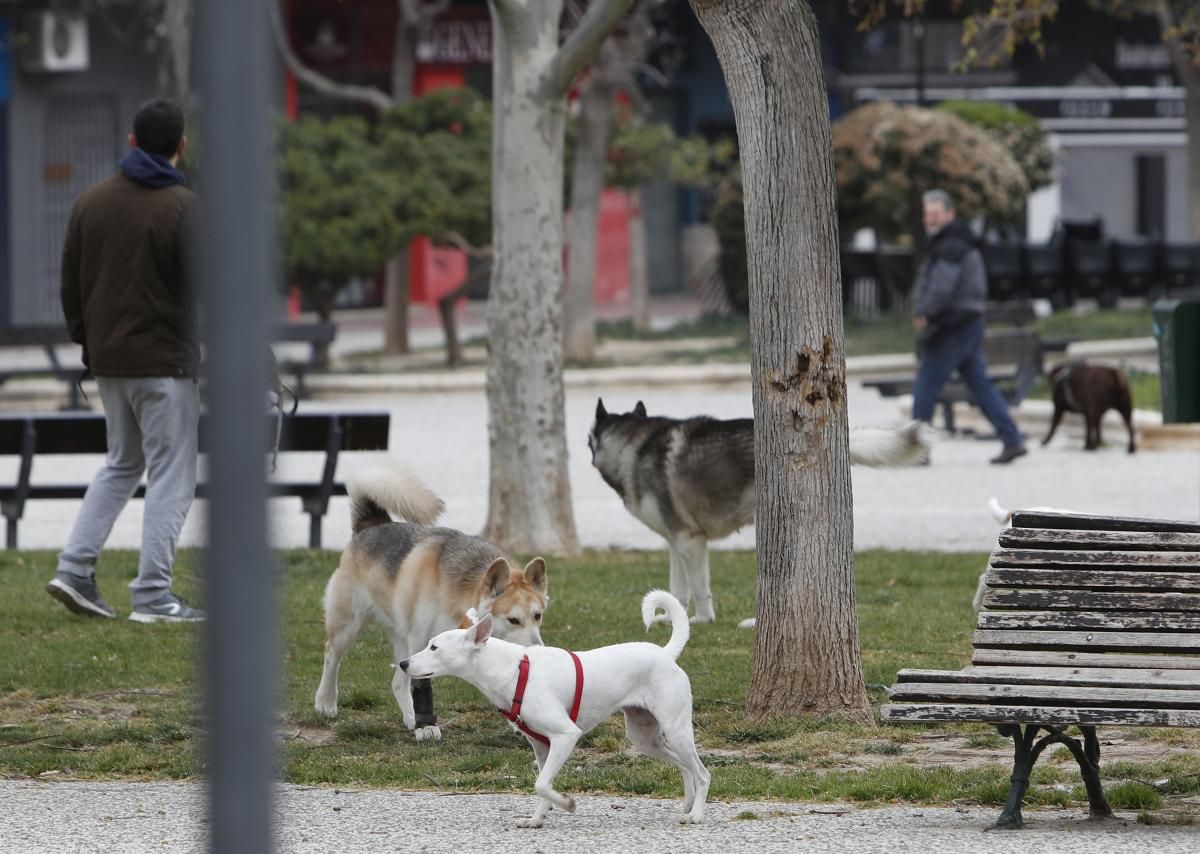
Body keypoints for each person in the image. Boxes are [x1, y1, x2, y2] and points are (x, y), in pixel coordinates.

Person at [46, 97, 206, 623]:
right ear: (180, 147)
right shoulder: (183, 207)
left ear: (133, 143)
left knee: (121, 464)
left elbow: (70, 283)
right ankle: (154, 594)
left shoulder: (90, 202)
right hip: (164, 365)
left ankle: (74, 568)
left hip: (110, 363)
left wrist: (89, 345)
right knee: (171, 474)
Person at [911, 189, 1027, 465]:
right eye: (928, 214)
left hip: (953, 326)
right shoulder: (957, 241)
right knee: (980, 385)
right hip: (968, 324)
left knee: (926, 386)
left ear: (950, 215)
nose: (931, 219)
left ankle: (918, 450)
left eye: (936, 214)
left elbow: (942, 287)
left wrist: (925, 311)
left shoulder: (951, 246)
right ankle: (1012, 439)